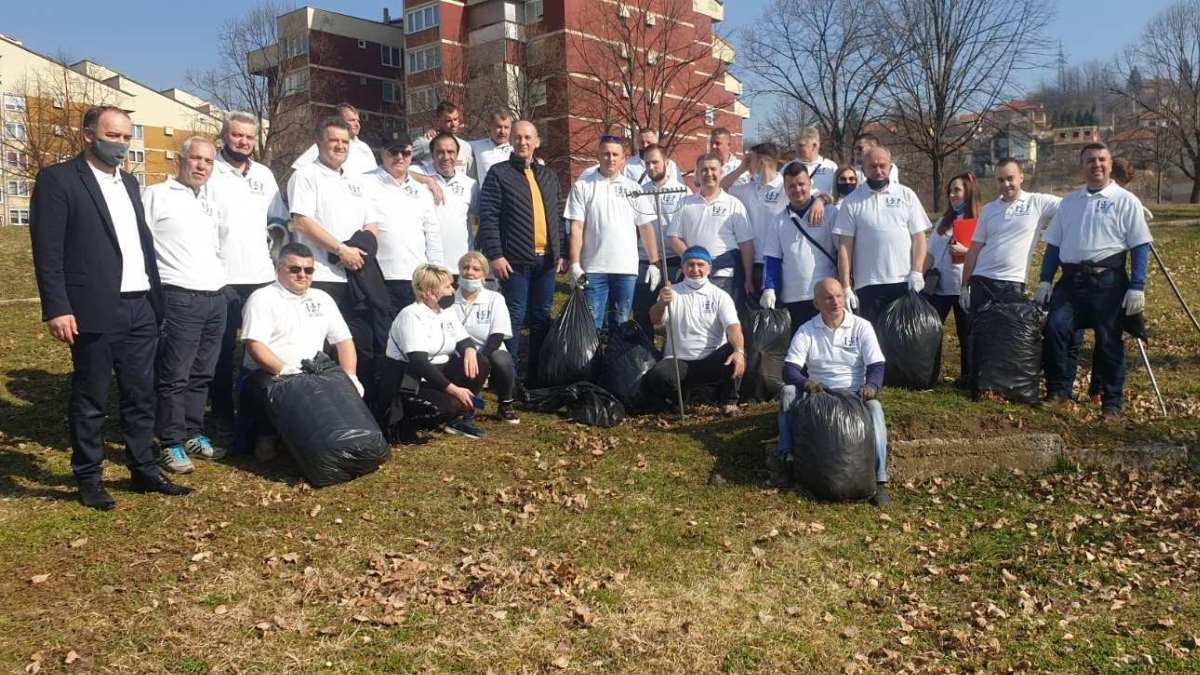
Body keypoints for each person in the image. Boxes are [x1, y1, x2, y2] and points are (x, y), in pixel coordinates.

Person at [30, 105, 189, 509]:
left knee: (140, 395)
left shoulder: (130, 184)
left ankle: (143, 470)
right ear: (88, 135)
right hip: (92, 308)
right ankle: (88, 477)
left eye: (125, 136)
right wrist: (57, 307)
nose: (120, 143)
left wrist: (156, 301)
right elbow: (47, 252)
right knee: (91, 398)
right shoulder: (59, 180)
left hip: (141, 307)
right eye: (112, 135)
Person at [1037, 142, 1152, 420]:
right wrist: (1045, 281)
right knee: (1056, 329)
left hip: (1108, 283)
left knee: (1109, 342)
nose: (1096, 165)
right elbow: (1053, 246)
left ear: (1110, 165)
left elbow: (1140, 245)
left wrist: (1137, 285)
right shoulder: (1069, 203)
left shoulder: (1125, 200)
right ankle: (1059, 392)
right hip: (1071, 282)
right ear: (1082, 165)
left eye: (1102, 159)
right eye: (1090, 160)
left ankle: (1112, 404)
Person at [142, 136, 227, 474]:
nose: (201, 166)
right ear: (181, 159)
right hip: (179, 297)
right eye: (195, 159)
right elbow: (141, 246)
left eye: (208, 161)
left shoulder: (210, 201)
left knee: (202, 372)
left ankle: (193, 432)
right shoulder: (156, 195)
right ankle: (171, 441)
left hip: (215, 296)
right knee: (174, 374)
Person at [236, 243, 360, 460]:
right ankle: (267, 436)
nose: (302, 275)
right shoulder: (262, 298)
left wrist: (350, 375)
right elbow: (255, 345)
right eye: (295, 269)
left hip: (314, 372)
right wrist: (285, 370)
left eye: (308, 270)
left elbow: (343, 341)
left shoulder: (323, 298)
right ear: (278, 269)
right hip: (270, 374)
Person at [206, 111, 289, 430]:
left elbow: (278, 222)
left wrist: (277, 256)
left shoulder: (265, 174)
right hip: (221, 277)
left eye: (249, 137)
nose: (243, 141)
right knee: (222, 350)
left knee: (259, 348)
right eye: (237, 135)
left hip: (261, 277)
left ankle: (255, 413)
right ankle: (222, 414)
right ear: (224, 135)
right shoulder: (210, 170)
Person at [776, 278, 890, 507]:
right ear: (817, 303)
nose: (836, 302)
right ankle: (787, 460)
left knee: (876, 410)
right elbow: (789, 369)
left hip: (854, 393)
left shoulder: (861, 326)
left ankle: (879, 480)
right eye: (828, 298)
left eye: (839, 296)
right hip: (820, 394)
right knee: (788, 393)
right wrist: (807, 384)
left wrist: (872, 387)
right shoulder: (807, 330)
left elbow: (877, 365)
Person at [476, 120, 566, 383]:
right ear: (511, 142)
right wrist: (495, 254)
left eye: (528, 137)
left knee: (540, 318)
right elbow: (489, 216)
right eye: (517, 138)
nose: (523, 142)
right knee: (514, 319)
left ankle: (536, 374)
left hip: (546, 261)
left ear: (537, 141)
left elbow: (557, 217)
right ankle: (510, 377)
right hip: (514, 262)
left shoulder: (548, 176)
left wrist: (560, 251)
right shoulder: (499, 173)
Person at [564, 135, 661, 331]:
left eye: (615, 154)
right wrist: (574, 264)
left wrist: (654, 263)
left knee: (621, 323)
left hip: (626, 270)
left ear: (623, 158)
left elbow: (645, 227)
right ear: (598, 156)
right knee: (591, 326)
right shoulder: (583, 186)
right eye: (606, 154)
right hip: (593, 268)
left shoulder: (634, 189)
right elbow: (576, 227)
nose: (611, 158)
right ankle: (592, 362)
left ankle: (615, 362)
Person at [287, 116, 380, 321]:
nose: (340, 146)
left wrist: (359, 254)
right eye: (334, 141)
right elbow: (302, 222)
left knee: (359, 343)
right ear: (319, 142)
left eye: (345, 142)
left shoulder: (357, 180)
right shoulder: (305, 175)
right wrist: (341, 251)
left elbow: (371, 223)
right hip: (320, 275)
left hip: (357, 275)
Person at [386, 264, 490, 438]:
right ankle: (409, 421)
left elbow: (464, 340)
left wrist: (470, 350)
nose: (453, 290)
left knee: (480, 362)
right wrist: (454, 390)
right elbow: (419, 362)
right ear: (429, 292)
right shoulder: (411, 315)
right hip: (412, 379)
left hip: (440, 371)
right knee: (449, 405)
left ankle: (457, 418)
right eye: (447, 287)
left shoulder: (445, 312)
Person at [644, 246, 746, 415]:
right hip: (679, 360)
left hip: (710, 359)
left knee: (736, 352)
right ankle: (678, 400)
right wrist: (661, 303)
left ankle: (729, 401)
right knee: (658, 376)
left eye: (700, 265)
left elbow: (734, 327)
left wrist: (738, 350)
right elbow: (655, 321)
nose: (695, 269)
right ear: (682, 267)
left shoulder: (720, 296)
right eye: (690, 265)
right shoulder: (671, 292)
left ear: (709, 268)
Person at [833, 145, 930, 322]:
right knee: (874, 343)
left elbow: (919, 238)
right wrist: (846, 286)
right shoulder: (851, 201)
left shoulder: (906, 195)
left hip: (903, 281)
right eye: (872, 166)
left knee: (904, 341)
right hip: (868, 285)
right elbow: (845, 247)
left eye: (882, 165)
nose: (878, 170)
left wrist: (917, 272)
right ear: (863, 169)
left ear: (890, 167)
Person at [962, 159, 1061, 309]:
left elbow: (1072, 206)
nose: (1006, 184)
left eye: (1010, 178)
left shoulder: (1037, 202)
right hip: (981, 280)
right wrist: (964, 286)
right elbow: (974, 249)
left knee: (1009, 332)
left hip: (1013, 281)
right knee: (981, 331)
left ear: (1021, 177)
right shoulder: (988, 209)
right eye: (1001, 180)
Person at [359, 136, 441, 312]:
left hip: (417, 276)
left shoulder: (422, 190)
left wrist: (436, 272)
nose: (400, 157)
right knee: (384, 336)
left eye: (405, 152)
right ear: (382, 153)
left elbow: (432, 233)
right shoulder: (364, 182)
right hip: (379, 276)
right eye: (393, 152)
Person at [666, 154, 754, 305]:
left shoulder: (734, 204)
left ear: (721, 173)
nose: (709, 174)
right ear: (697, 174)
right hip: (694, 277)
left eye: (713, 169)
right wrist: (694, 259)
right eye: (704, 170)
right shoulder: (685, 203)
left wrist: (748, 278)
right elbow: (673, 237)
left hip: (725, 276)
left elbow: (746, 244)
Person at [761, 163, 839, 330]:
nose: (797, 189)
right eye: (791, 186)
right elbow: (772, 259)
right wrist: (769, 288)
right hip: (793, 297)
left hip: (827, 296)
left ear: (810, 184)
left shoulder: (831, 213)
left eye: (801, 184)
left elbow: (843, 252)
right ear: (785, 189)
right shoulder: (779, 221)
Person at [924, 173, 981, 384]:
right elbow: (930, 254)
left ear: (968, 191)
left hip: (964, 287)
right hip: (938, 287)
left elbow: (987, 253)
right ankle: (928, 374)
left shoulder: (979, 221)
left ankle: (968, 376)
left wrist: (966, 251)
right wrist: (919, 276)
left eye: (957, 190)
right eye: (950, 191)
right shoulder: (943, 221)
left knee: (966, 333)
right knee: (932, 330)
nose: (952, 195)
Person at [454, 252, 519, 424]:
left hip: (488, 350)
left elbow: (497, 335)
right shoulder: (448, 298)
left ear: (484, 274)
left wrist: (480, 359)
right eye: (465, 267)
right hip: (457, 352)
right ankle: (462, 405)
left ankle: (505, 404)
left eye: (476, 269)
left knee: (502, 359)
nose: (470, 272)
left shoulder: (495, 298)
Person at [632, 144, 688, 334]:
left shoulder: (682, 192)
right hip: (646, 260)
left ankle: (671, 352)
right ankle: (644, 354)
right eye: (647, 164)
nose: (651, 167)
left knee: (674, 311)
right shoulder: (640, 191)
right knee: (642, 310)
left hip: (673, 260)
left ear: (666, 162)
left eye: (655, 162)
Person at [729, 143, 789, 302]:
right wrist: (741, 169)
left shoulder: (786, 187)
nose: (748, 162)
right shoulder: (749, 189)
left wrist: (820, 201)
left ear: (762, 162)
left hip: (781, 262)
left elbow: (817, 197)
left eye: (751, 159)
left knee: (781, 317)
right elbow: (720, 189)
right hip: (753, 263)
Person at [412, 133, 479, 271]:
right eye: (440, 152)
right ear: (432, 154)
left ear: (457, 154)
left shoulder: (470, 184)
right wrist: (428, 180)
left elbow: (482, 217)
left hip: (461, 264)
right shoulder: (420, 173)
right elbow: (398, 172)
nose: (446, 157)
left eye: (450, 152)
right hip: (427, 265)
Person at [291, 103, 377, 175]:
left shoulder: (364, 148)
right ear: (339, 120)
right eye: (352, 120)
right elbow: (298, 169)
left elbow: (374, 174)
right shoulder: (325, 146)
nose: (357, 124)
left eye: (358, 121)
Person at [412, 100, 474, 176]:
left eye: (456, 119)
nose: (453, 124)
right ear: (438, 121)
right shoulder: (426, 142)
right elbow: (399, 162)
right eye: (448, 121)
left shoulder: (466, 146)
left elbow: (471, 176)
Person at [779, 126, 839, 196]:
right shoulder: (787, 167)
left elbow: (837, 196)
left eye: (801, 145)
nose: (796, 149)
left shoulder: (831, 167)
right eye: (796, 145)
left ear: (814, 145)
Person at [469, 109, 514, 185]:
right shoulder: (477, 146)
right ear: (490, 126)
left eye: (506, 127)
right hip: (485, 195)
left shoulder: (515, 152)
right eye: (499, 127)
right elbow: (455, 143)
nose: (502, 131)